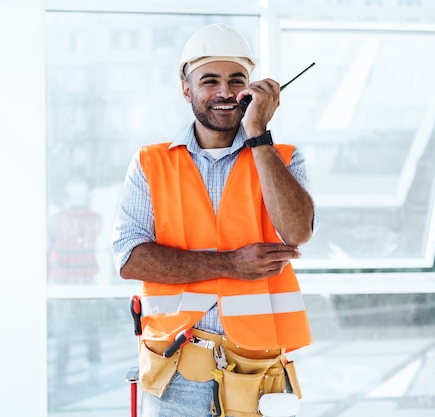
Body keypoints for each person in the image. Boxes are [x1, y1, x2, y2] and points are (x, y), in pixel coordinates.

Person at [111, 23, 317, 417]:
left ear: (252, 88)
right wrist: (230, 265)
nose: (225, 92)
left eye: (236, 80)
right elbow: (129, 259)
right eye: (210, 80)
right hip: (175, 376)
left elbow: (297, 232)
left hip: (258, 376)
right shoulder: (150, 163)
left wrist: (258, 132)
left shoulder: (282, 157)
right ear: (186, 88)